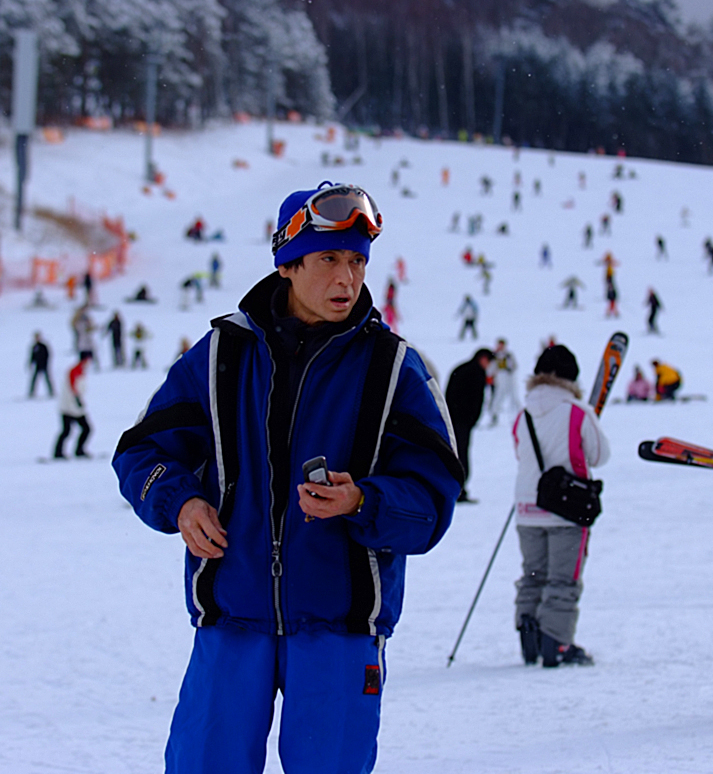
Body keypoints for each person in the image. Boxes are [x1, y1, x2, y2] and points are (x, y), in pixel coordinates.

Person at [112, 181, 461, 774]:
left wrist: (362, 502)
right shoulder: (222, 355)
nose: (347, 279)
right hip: (232, 618)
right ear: (288, 265)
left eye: (357, 261)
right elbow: (142, 451)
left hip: (341, 630)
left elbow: (431, 500)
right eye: (329, 259)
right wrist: (181, 504)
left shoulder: (394, 368)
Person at [512, 345, 610, 667]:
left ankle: (529, 635)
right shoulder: (577, 412)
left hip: (527, 507)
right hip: (566, 509)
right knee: (562, 579)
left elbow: (520, 453)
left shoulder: (522, 414)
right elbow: (599, 456)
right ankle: (557, 643)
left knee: (533, 574)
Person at [445, 348, 495, 503]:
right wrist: (471, 418)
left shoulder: (461, 369)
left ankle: (455, 488)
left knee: (454, 452)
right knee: (461, 453)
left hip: (453, 418)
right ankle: (459, 488)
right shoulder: (476, 373)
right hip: (462, 421)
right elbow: (475, 400)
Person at [54, 351, 92, 459]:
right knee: (77, 429)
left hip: (73, 406)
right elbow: (72, 386)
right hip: (70, 406)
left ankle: (74, 450)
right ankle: (61, 452)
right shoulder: (75, 371)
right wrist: (77, 398)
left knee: (71, 430)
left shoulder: (80, 370)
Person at [489, 338, 520, 425]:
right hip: (499, 378)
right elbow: (491, 368)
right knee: (497, 398)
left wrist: (510, 369)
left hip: (509, 378)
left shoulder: (508, 355)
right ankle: (494, 417)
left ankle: (517, 418)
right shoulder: (494, 356)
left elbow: (514, 366)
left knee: (513, 398)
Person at [28, 332, 54, 398]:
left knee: (47, 379)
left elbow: (48, 355)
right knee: (34, 379)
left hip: (44, 365)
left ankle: (51, 392)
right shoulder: (34, 347)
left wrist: (46, 363)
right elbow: (32, 356)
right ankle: (31, 392)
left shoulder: (43, 346)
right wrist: (31, 363)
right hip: (37, 365)